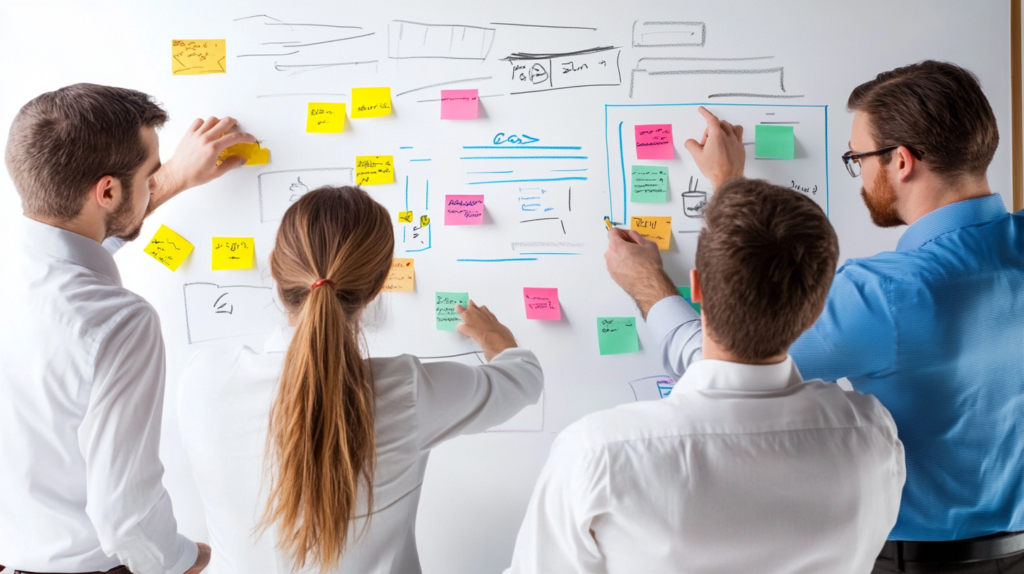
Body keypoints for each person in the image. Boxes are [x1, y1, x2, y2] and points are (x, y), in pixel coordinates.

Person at [614, 61, 1024, 572]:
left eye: (858, 157)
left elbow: (719, 364)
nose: (857, 171)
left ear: (901, 161)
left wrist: (648, 284)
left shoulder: (885, 294)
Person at [506, 179, 905, 573]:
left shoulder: (596, 454)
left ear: (695, 287)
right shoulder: (872, 435)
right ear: (817, 312)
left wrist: (651, 284)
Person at [177, 186, 543, 574]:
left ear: (273, 265)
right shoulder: (408, 391)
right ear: (380, 281)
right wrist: (494, 338)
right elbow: (524, 378)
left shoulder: (204, 378)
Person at [0, 83, 256, 574]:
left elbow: (80, 252)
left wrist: (173, 178)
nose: (156, 179)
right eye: (151, 173)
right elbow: (125, 516)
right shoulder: (120, 321)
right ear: (108, 191)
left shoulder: (21, 269)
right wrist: (185, 561)